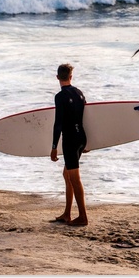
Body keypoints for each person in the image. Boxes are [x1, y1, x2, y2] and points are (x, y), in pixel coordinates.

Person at [50, 63, 89, 226]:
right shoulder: (79, 93)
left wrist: (53, 147)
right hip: (81, 138)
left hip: (70, 141)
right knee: (67, 175)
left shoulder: (60, 97)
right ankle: (67, 213)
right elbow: (87, 118)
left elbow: (58, 123)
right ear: (70, 77)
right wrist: (87, 143)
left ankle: (83, 217)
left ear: (58, 77)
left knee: (74, 178)